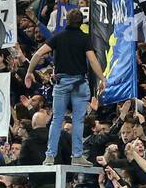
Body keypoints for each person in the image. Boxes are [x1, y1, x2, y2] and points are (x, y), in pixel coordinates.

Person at [23, 9, 103, 166]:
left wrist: (29, 72)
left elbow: (38, 54)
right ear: (81, 23)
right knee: (78, 121)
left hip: (61, 83)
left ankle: (50, 156)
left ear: (67, 20)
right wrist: (102, 78)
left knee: (56, 120)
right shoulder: (84, 38)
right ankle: (77, 156)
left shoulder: (57, 37)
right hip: (80, 83)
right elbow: (93, 61)